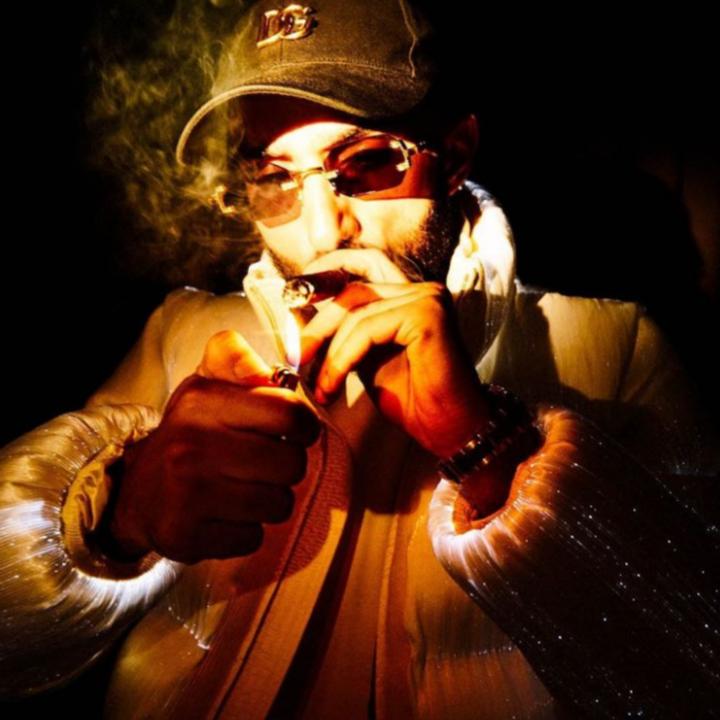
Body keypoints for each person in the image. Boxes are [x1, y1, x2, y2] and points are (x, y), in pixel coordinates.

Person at [1, 1, 719, 718]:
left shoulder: (615, 349)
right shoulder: (182, 335)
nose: (322, 232)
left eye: (370, 163)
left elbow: (691, 668)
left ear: (455, 155)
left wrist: (487, 450)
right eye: (275, 177)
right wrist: (115, 519)